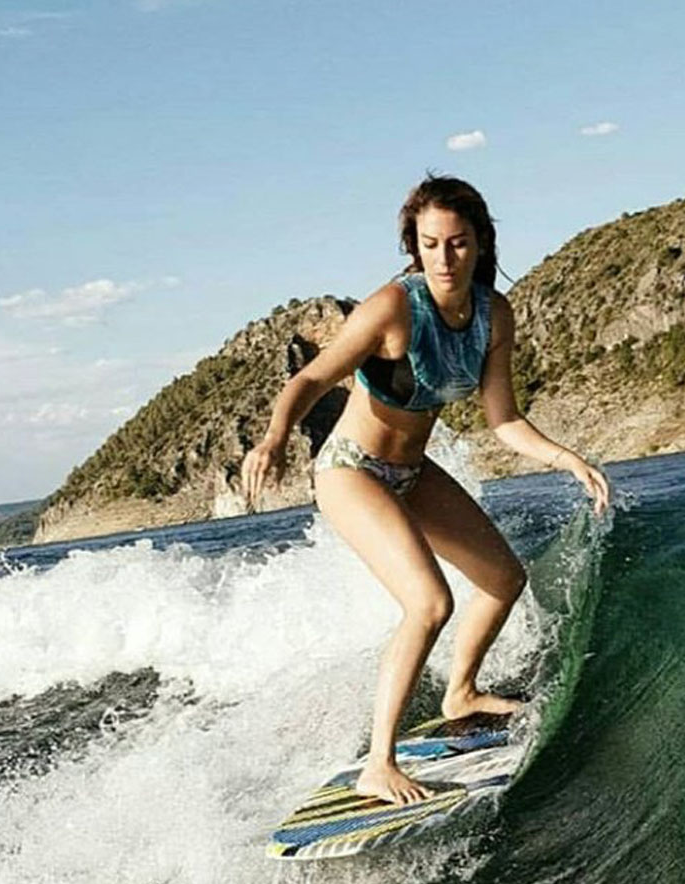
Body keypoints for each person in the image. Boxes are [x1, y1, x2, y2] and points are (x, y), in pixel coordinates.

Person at [242, 175, 609, 805]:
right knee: (429, 602)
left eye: (458, 243)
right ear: (414, 244)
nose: (443, 258)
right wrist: (275, 438)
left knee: (502, 578)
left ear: (480, 243)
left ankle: (460, 690)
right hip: (352, 470)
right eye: (429, 243)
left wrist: (565, 458)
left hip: (412, 474)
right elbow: (311, 379)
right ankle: (378, 762)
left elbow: (504, 418)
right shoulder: (390, 308)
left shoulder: (494, 315)